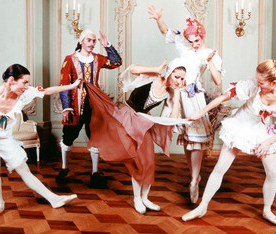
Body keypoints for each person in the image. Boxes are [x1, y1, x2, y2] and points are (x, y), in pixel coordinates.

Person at [181, 59, 276, 227]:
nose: (257, 84)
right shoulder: (252, 85)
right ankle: (202, 207)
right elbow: (224, 97)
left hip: (267, 131)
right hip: (242, 123)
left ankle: (267, 210)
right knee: (220, 168)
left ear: (274, 82)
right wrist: (201, 112)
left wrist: (268, 142)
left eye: (262, 82)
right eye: (257, 80)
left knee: (272, 173)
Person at [0, 64, 79, 219]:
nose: (27, 87)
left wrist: (72, 85)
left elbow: (47, 91)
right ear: (11, 80)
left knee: (23, 169)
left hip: (3, 134)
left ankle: (54, 199)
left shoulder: (24, 94)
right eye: (24, 82)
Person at [84, 58, 191, 214]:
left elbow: (172, 119)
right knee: (136, 161)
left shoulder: (170, 93)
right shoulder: (154, 76)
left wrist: (177, 94)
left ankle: (145, 197)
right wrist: (156, 68)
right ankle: (137, 198)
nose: (179, 81)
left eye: (182, 78)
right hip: (126, 117)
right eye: (177, 76)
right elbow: (133, 69)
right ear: (170, 72)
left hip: (142, 121)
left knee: (149, 161)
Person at [148, 5, 224, 204]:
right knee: (186, 139)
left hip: (193, 97)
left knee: (196, 139)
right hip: (176, 95)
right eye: (191, 41)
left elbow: (218, 81)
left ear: (202, 35)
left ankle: (194, 179)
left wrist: (210, 63)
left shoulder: (210, 53)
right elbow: (166, 31)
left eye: (196, 40)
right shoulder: (183, 42)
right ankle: (194, 177)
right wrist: (158, 19)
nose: (194, 44)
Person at [57, 29, 122, 187]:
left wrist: (107, 45)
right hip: (75, 105)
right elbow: (64, 85)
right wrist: (66, 108)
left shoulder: (98, 59)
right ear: (81, 41)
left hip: (94, 105)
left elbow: (116, 62)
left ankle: (94, 172)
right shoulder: (70, 59)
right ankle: (64, 167)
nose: (92, 44)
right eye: (89, 40)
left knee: (95, 137)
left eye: (94, 41)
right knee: (68, 137)